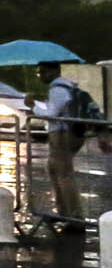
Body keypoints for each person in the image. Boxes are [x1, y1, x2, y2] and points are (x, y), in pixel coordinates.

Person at [32, 60, 97, 226]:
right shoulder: (68, 87)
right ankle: (64, 213)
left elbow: (53, 114)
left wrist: (33, 106)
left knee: (63, 175)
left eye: (43, 72)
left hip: (62, 134)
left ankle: (74, 218)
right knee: (55, 170)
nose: (40, 76)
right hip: (68, 132)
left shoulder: (58, 89)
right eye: (39, 72)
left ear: (54, 71)